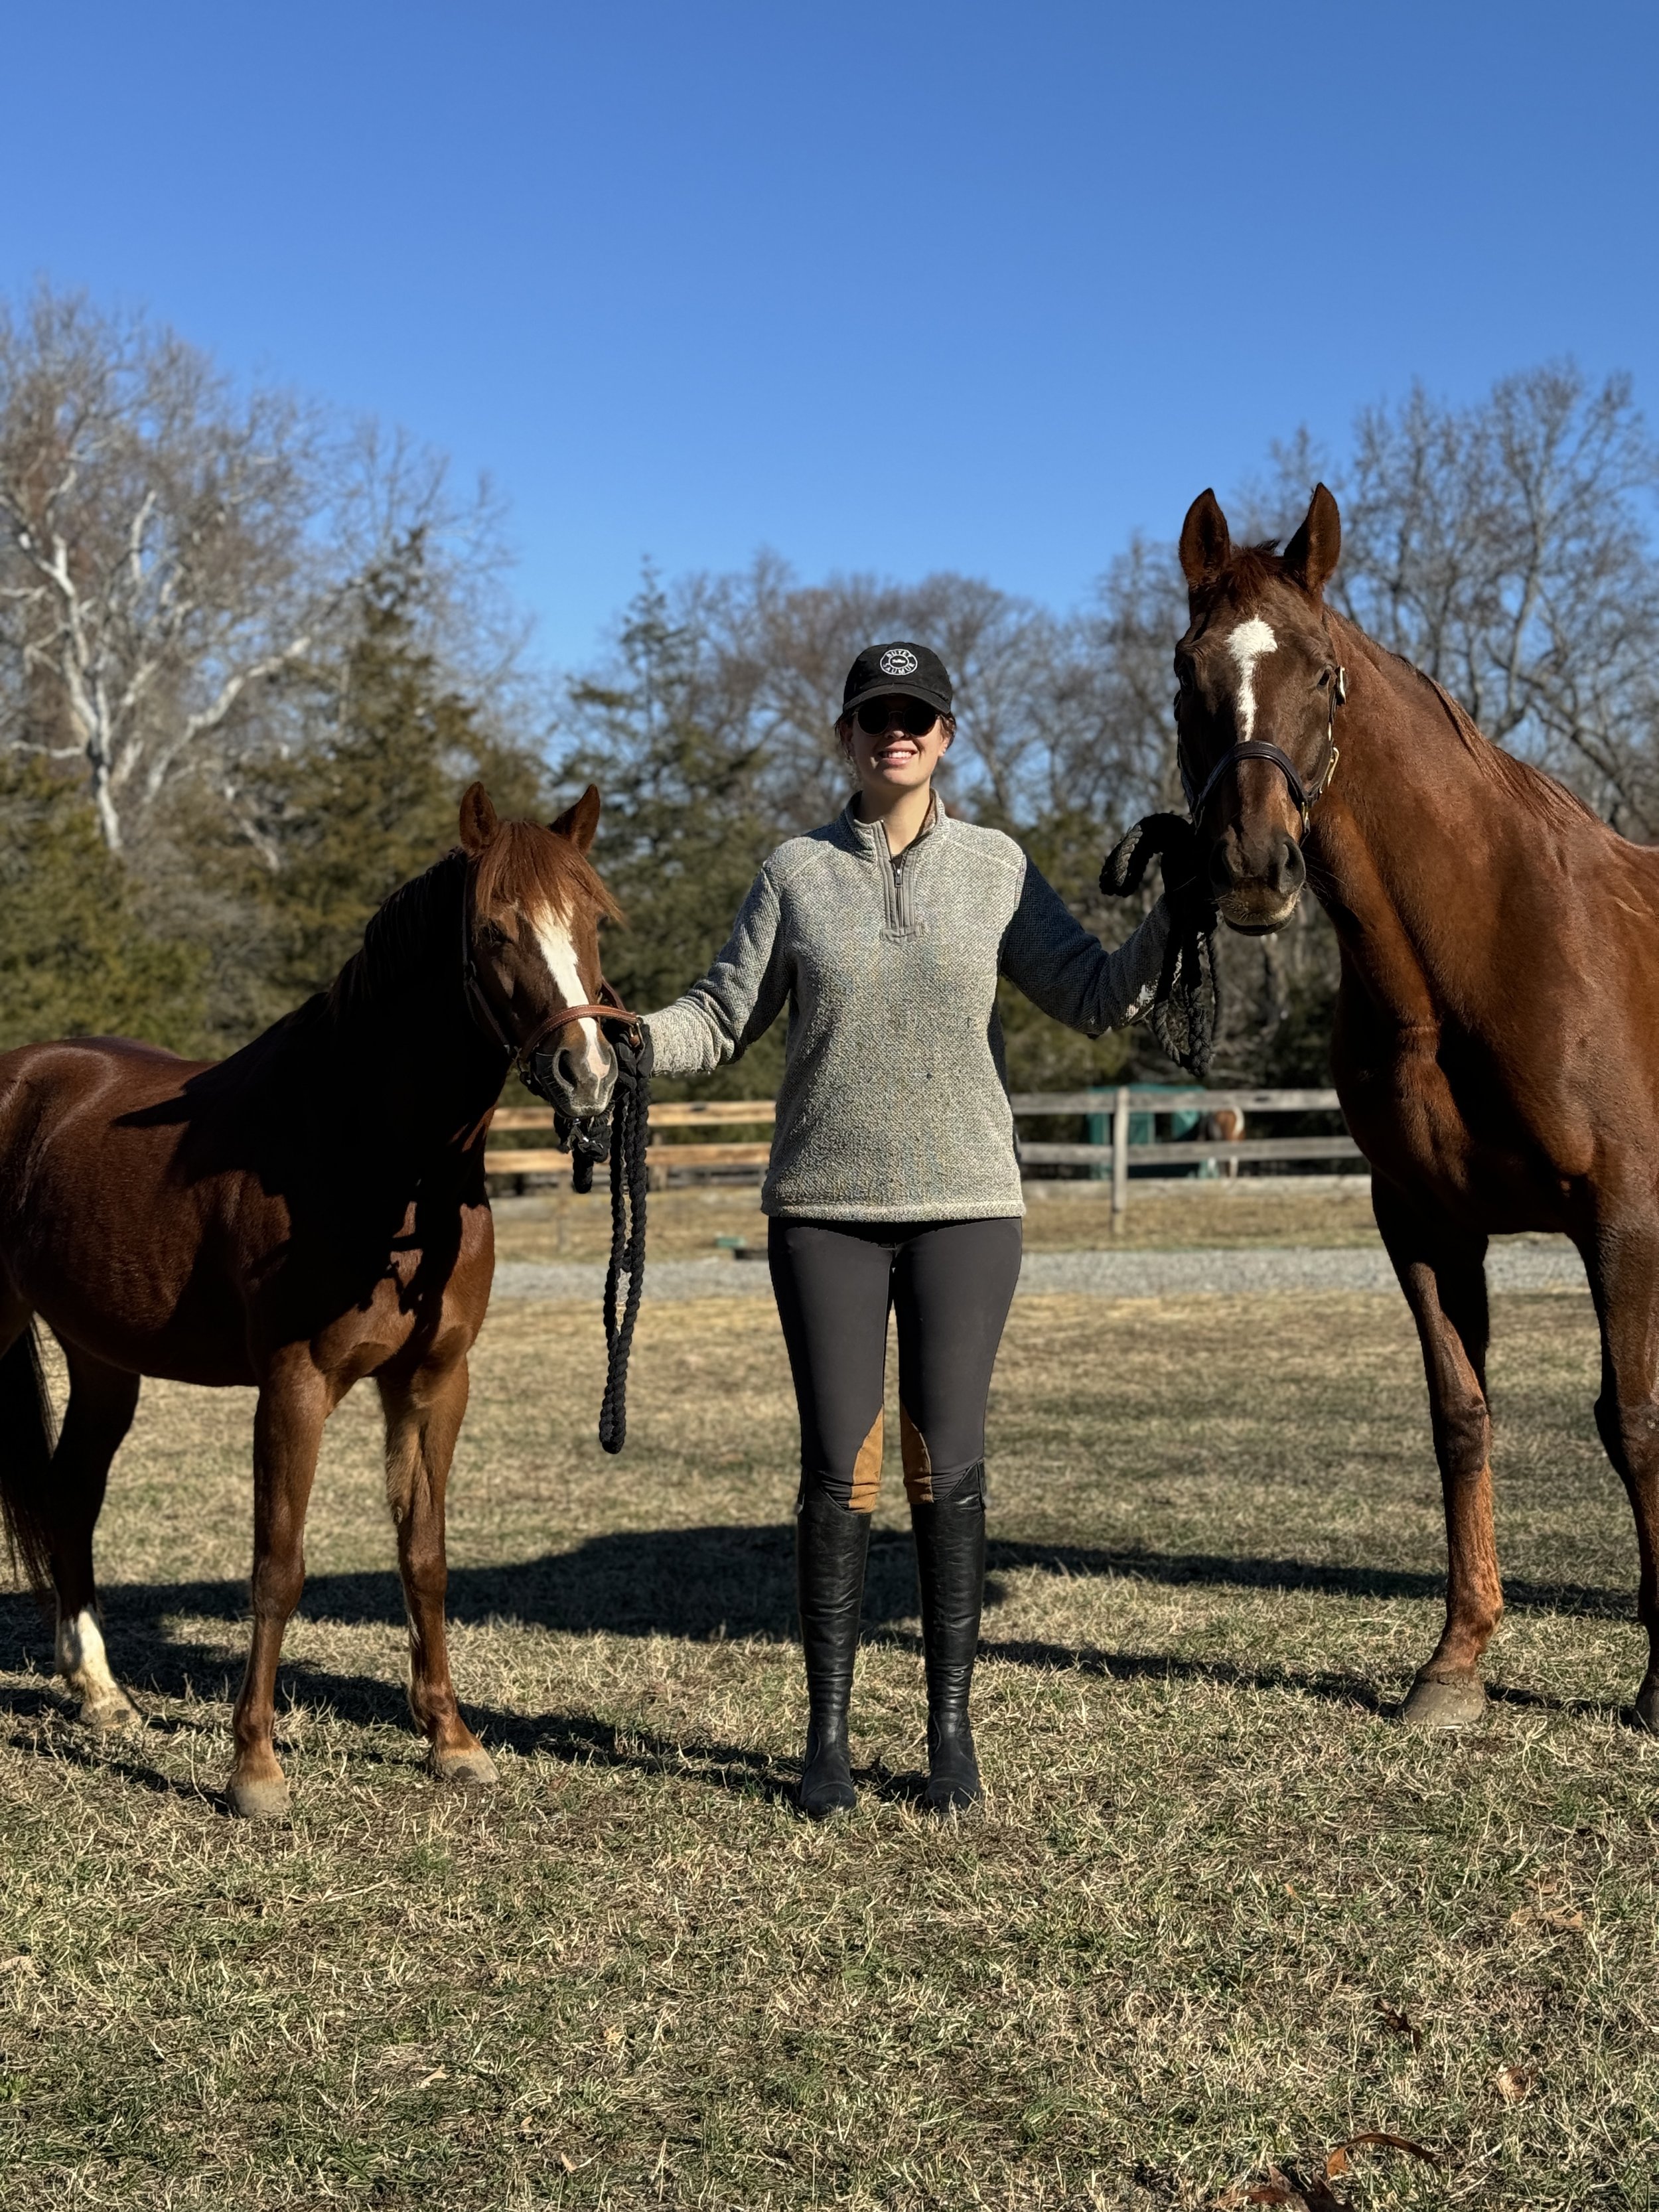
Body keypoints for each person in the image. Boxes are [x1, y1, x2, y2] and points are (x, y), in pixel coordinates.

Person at [642, 643, 1172, 1817]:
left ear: (946, 735)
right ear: (846, 735)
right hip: (823, 1209)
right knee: (838, 1470)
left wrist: (1177, 918)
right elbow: (719, 1017)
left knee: (949, 1467)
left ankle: (949, 1732)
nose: (897, 732)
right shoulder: (793, 870)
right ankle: (825, 1739)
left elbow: (1090, 992)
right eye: (876, 715)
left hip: (969, 1209)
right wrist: (625, 1040)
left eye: (917, 716)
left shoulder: (996, 868)